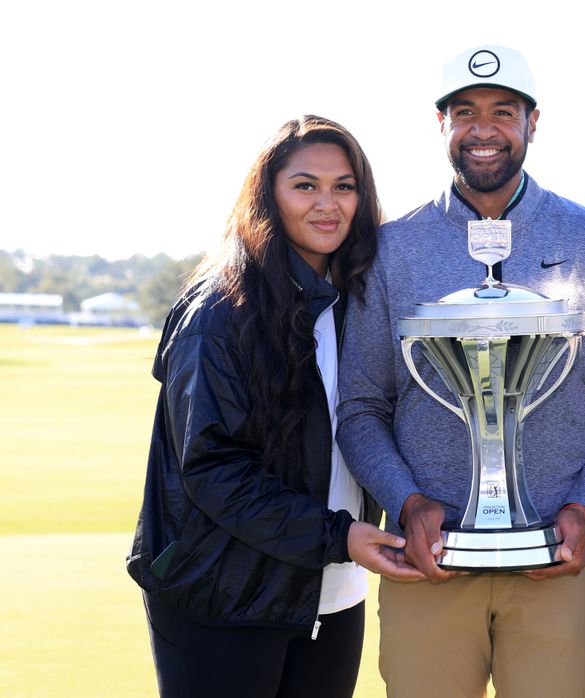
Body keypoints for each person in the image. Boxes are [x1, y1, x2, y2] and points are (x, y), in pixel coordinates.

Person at [337, 45, 585, 697]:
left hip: (558, 566)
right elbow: (361, 408)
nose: (483, 130)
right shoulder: (389, 248)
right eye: (465, 113)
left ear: (532, 123)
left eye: (502, 112)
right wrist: (409, 503)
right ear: (441, 125)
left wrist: (583, 509)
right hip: (428, 564)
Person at [125, 115, 424, 698]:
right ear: (269, 195)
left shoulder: (354, 304)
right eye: (305, 185)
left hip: (335, 596)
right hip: (225, 596)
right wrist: (339, 536)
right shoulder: (220, 312)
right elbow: (214, 471)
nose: (327, 204)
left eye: (344, 186)